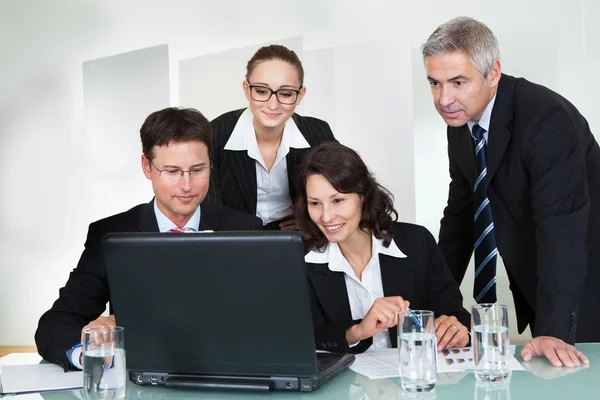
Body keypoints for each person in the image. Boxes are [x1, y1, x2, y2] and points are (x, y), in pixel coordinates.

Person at [422, 16, 599, 367]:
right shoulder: (461, 122)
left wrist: (554, 329)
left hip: (586, 283)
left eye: (458, 82)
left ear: (493, 73)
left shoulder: (547, 117)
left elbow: (560, 225)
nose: (444, 99)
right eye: (435, 83)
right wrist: (431, 309)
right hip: (542, 281)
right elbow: (460, 218)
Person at [35, 107, 263, 370]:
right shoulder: (110, 234)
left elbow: (266, 319)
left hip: (227, 376)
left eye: (198, 170)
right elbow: (56, 324)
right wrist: (90, 354)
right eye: (172, 171)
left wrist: (125, 321)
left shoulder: (245, 228)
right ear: (147, 167)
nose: (187, 186)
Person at [295, 142, 470, 354]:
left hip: (412, 378)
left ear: (364, 195)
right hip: (343, 385)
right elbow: (303, 339)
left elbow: (455, 315)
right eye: (315, 203)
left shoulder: (417, 243)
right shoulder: (300, 259)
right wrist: (358, 331)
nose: (326, 216)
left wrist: (457, 331)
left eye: (338, 200)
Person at [207, 44, 337, 230]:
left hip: (299, 241)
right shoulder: (216, 133)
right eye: (261, 91)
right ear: (246, 90)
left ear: (300, 96)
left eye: (285, 94)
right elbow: (209, 210)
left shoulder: (317, 133)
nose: (273, 105)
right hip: (234, 240)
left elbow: (347, 194)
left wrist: (310, 222)